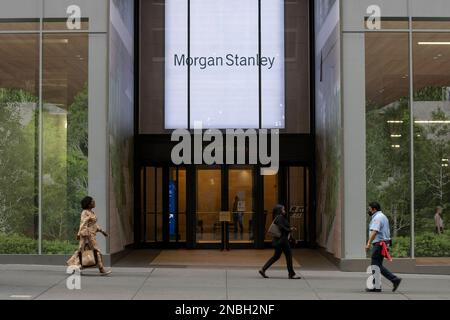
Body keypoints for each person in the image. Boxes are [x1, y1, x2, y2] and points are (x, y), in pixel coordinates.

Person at [67, 196, 112, 275]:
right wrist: (85, 236)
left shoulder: (92, 212)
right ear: (88, 204)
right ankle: (101, 269)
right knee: (95, 251)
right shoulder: (85, 212)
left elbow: (93, 225)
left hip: (91, 235)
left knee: (83, 252)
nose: (94, 202)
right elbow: (83, 224)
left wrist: (102, 231)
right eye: (92, 201)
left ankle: (75, 267)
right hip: (87, 236)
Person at [366, 202, 401, 292]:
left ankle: (394, 279)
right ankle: (377, 286)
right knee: (377, 265)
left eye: (369, 209)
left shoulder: (377, 218)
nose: (368, 211)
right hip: (382, 243)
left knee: (375, 265)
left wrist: (368, 243)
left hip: (379, 244)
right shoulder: (382, 216)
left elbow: (375, 231)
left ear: (374, 209)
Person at [259, 204, 301, 279]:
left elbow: (284, 231)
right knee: (289, 256)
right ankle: (291, 274)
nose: (284, 211)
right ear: (279, 210)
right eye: (283, 209)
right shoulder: (279, 218)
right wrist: (290, 229)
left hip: (280, 241)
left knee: (276, 257)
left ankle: (263, 269)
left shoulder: (280, 218)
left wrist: (292, 239)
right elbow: (282, 228)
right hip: (283, 241)